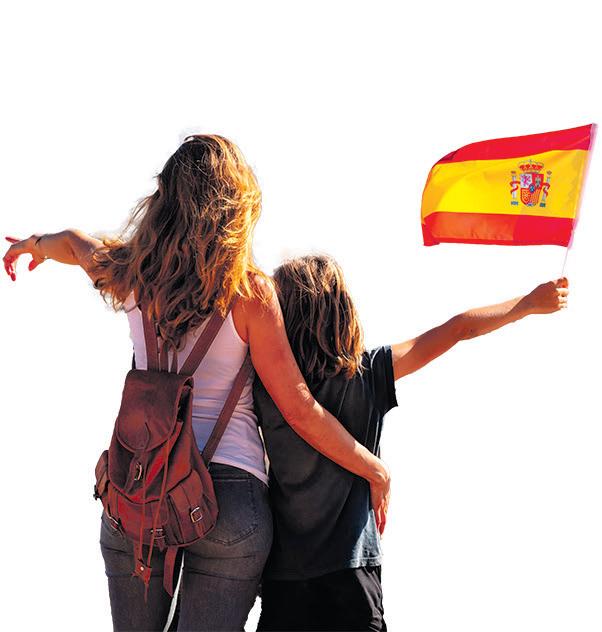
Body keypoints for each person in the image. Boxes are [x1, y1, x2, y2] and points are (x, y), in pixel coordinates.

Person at [2, 135, 390, 632]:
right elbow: (299, 410)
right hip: (230, 497)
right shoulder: (250, 293)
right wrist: (374, 469)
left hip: (139, 491)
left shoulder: (131, 272)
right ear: (236, 207)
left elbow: (77, 244)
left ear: (164, 201)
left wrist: (36, 246)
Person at [254, 254, 569, 632]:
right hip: (351, 570)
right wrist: (528, 304)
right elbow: (459, 329)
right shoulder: (370, 372)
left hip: (285, 576)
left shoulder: (266, 387)